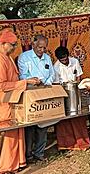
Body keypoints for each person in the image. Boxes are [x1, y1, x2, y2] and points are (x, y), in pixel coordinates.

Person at [0, 29, 40, 173]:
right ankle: (4, 168)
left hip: (10, 104)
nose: (14, 48)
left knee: (15, 136)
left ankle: (14, 165)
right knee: (6, 140)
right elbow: (2, 85)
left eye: (15, 45)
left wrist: (28, 82)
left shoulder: (6, 57)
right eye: (12, 45)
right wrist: (25, 82)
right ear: (3, 43)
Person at [18, 34, 55, 163]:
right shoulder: (24, 57)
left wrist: (46, 82)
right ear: (33, 44)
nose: (41, 50)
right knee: (30, 126)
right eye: (39, 47)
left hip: (44, 91)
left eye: (44, 48)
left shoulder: (47, 58)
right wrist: (33, 81)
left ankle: (39, 153)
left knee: (43, 124)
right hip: (30, 92)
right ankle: (27, 154)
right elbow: (23, 75)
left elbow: (52, 74)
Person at [53, 46, 90, 151]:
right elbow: (56, 83)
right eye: (62, 60)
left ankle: (82, 142)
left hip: (75, 90)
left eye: (65, 58)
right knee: (65, 118)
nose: (64, 61)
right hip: (64, 92)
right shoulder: (56, 67)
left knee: (78, 116)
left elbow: (79, 76)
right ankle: (66, 144)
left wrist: (76, 86)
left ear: (68, 55)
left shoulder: (75, 61)